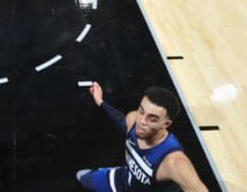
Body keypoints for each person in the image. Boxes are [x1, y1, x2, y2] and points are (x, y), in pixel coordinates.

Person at [76, 82, 208, 192]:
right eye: (141, 111)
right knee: (81, 177)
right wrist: (100, 101)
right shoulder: (134, 119)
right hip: (123, 181)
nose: (142, 122)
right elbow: (120, 121)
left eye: (152, 119)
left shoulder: (174, 162)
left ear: (166, 124)